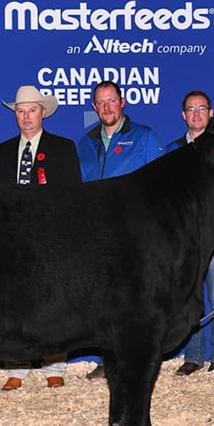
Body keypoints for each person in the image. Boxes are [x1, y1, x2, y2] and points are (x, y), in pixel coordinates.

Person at [0, 85, 82, 390]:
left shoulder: (63, 148)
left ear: (43, 112)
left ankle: (54, 364)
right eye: (20, 111)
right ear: (14, 115)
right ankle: (16, 367)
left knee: (54, 302)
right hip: (14, 239)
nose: (26, 117)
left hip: (53, 237)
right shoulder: (3, 151)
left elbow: (74, 197)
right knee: (15, 302)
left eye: (32, 110)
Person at [78, 80, 164, 380]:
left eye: (111, 101)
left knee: (135, 299)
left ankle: (138, 358)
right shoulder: (85, 143)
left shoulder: (144, 137)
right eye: (100, 103)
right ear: (94, 107)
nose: (107, 108)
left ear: (123, 102)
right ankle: (108, 360)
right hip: (96, 235)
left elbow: (161, 187)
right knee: (104, 300)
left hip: (134, 235)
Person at [170, 90, 214, 375]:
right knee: (188, 299)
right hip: (185, 241)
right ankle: (193, 357)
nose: (196, 114)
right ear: (183, 115)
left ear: (211, 113)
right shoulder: (173, 152)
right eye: (190, 109)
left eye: (202, 109)